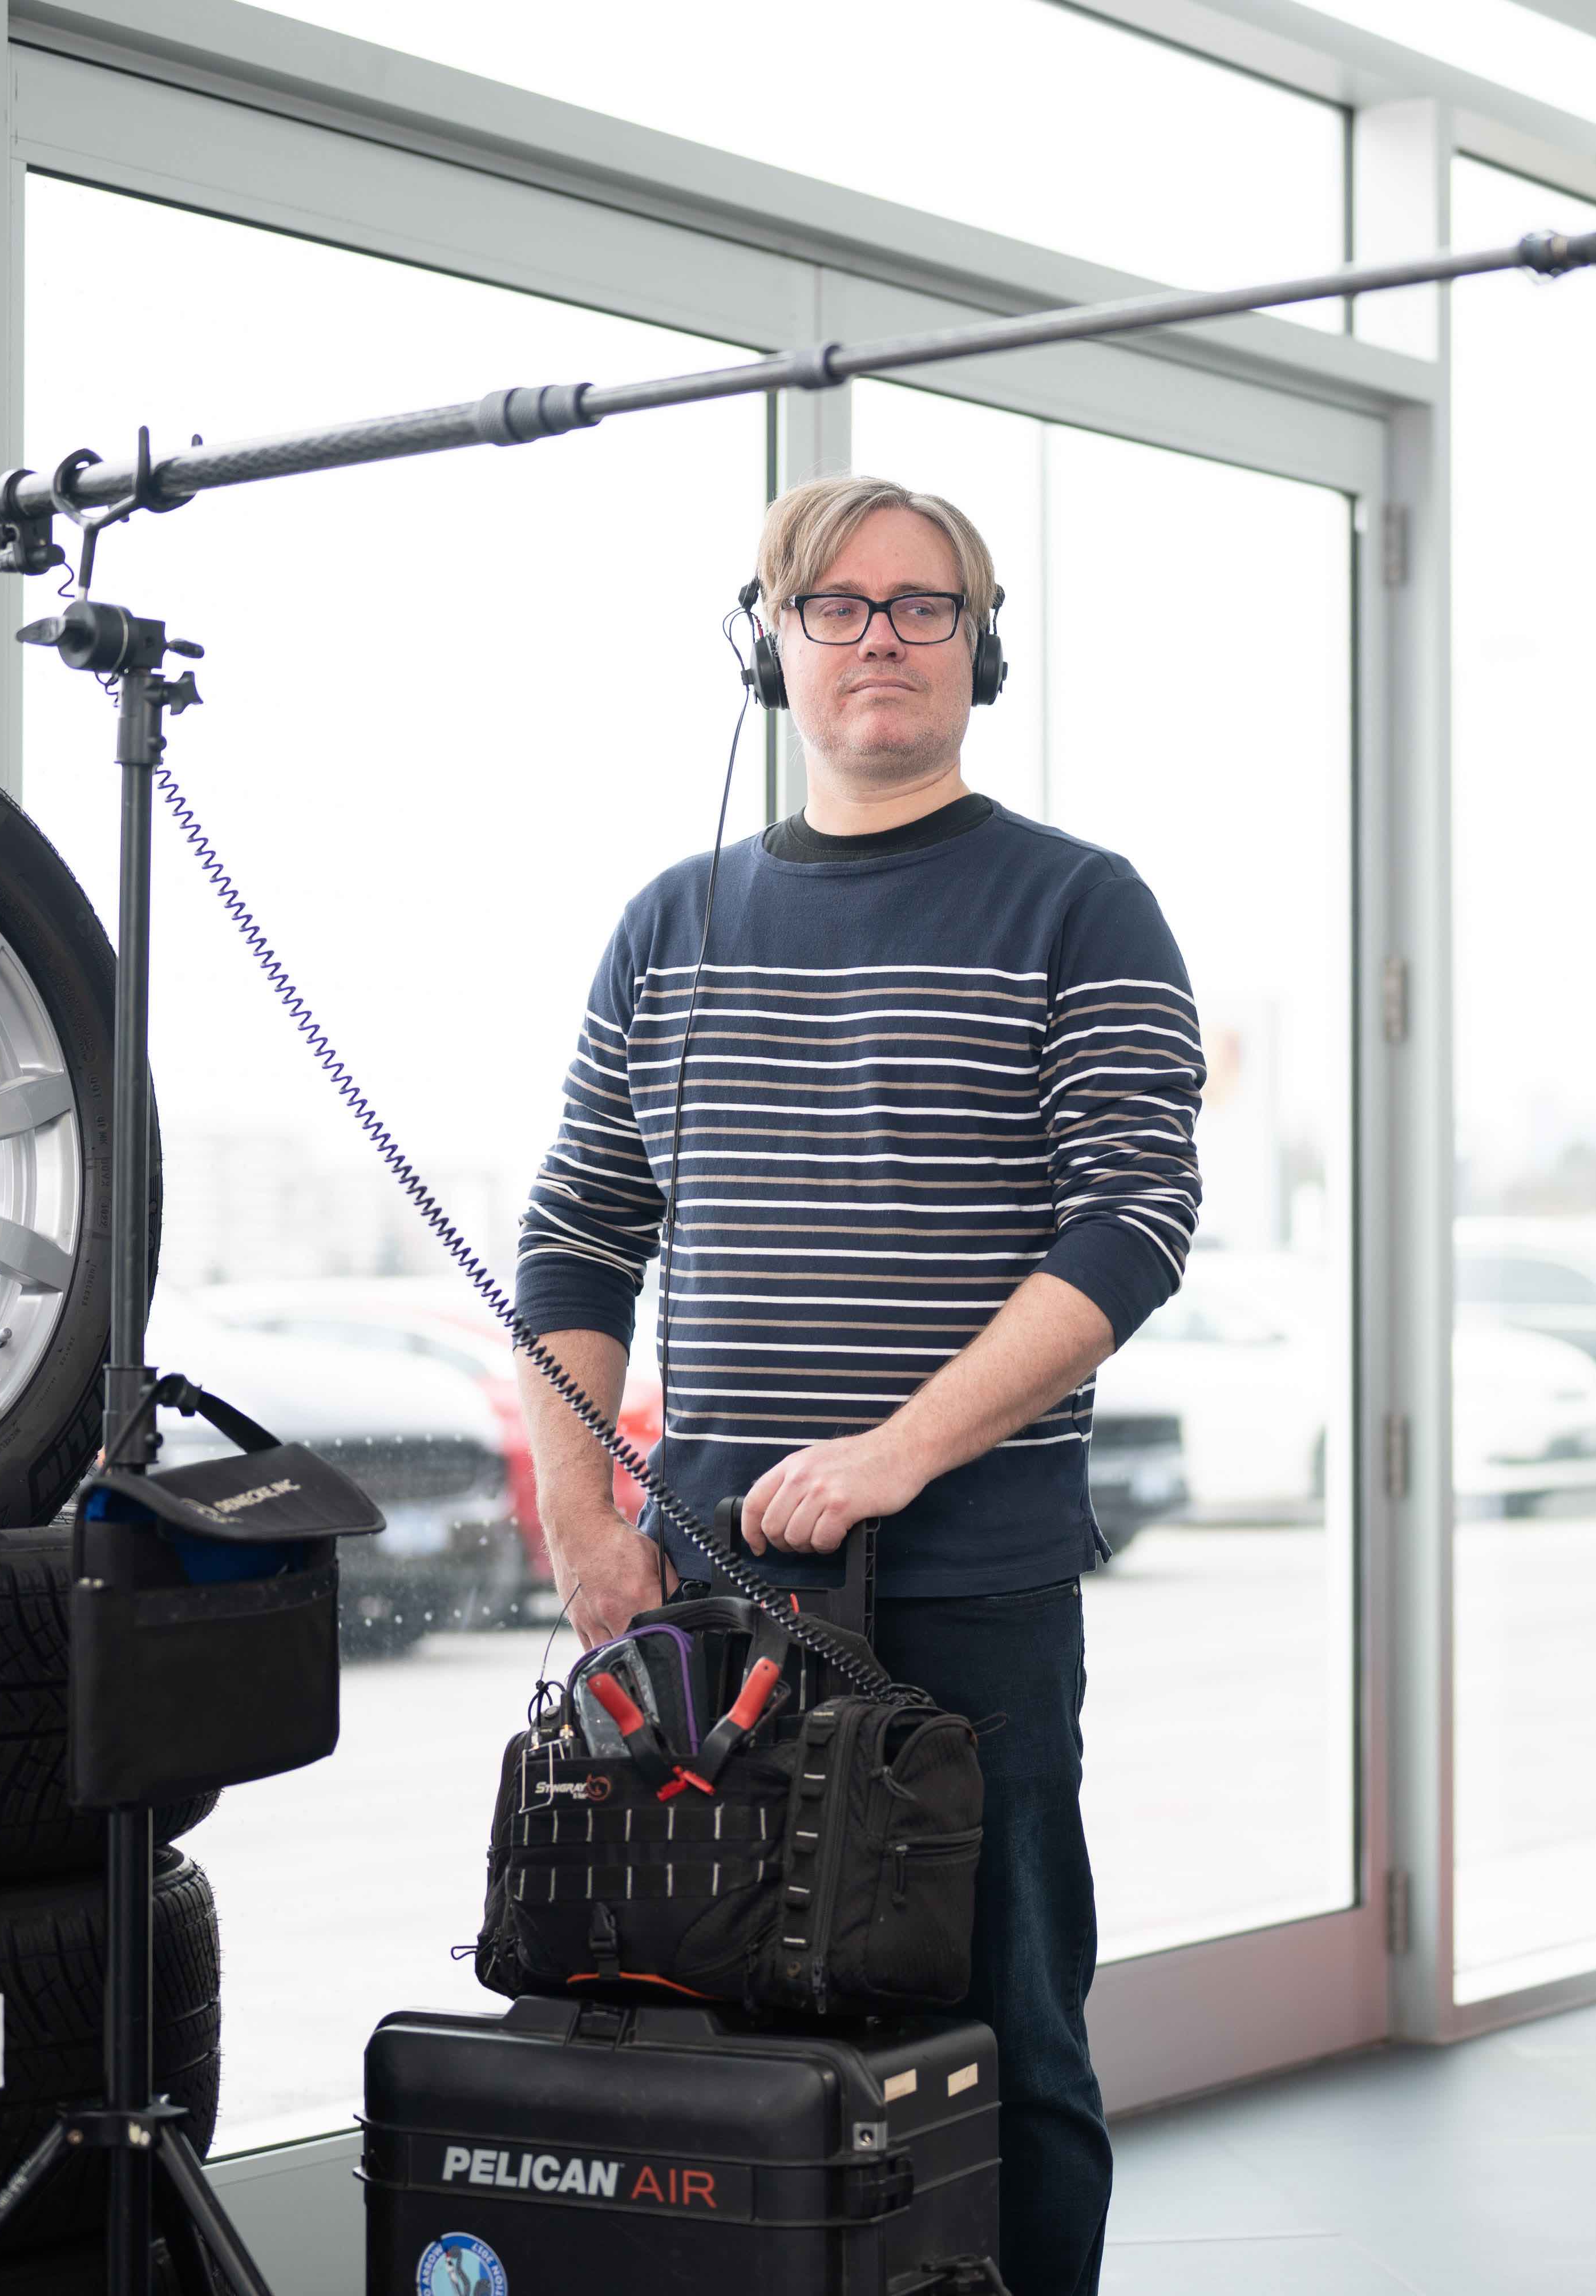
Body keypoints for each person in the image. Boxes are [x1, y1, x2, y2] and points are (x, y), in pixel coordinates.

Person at [511, 474, 1203, 2296]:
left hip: (964, 1591)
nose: (881, 635)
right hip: (702, 1601)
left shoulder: (1080, 903)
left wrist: (903, 1452)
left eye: (925, 604)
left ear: (986, 651)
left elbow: (1134, 1219)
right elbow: (583, 1227)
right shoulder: (668, 924)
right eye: (837, 604)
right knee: (716, 2032)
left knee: (1009, 2038)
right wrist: (584, 1519)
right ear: (773, 647)